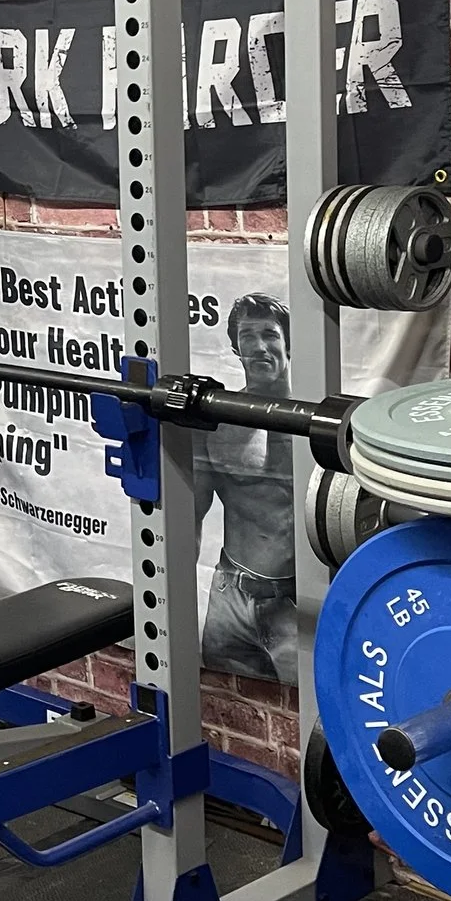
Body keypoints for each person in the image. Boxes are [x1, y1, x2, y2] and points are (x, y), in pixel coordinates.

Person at [194, 292, 301, 683]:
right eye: (247, 335)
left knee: (316, 713)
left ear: (288, 342)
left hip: (297, 602)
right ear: (235, 346)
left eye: (270, 334)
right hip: (230, 598)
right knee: (225, 703)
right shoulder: (219, 423)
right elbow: (191, 514)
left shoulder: (315, 419)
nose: (259, 346)